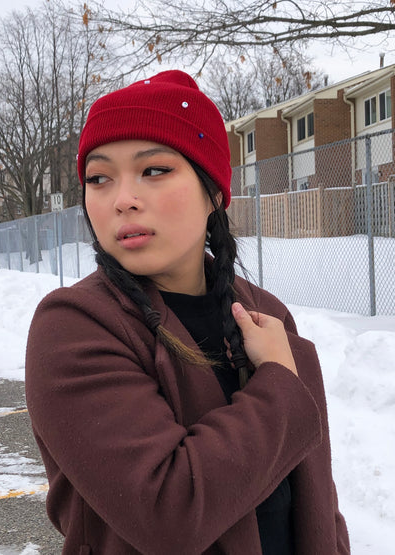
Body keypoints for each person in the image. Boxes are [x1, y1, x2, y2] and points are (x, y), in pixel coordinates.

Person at [25, 70, 350, 555]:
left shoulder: (264, 312)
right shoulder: (74, 327)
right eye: (98, 178)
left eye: (153, 170)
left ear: (214, 191)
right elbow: (169, 515)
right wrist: (279, 378)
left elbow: (316, 497)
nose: (122, 200)